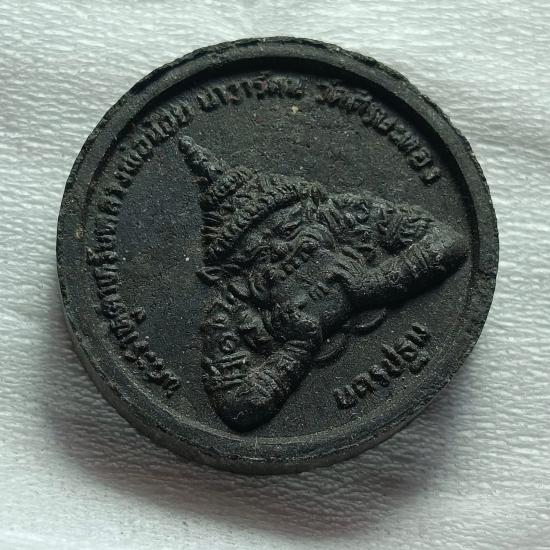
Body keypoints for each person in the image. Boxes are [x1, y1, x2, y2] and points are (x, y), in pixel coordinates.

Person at [179, 136, 467, 432]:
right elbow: (237, 410)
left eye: (287, 230)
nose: (279, 249)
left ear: (310, 210)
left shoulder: (346, 216)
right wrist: (297, 347)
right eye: (257, 253)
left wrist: (375, 283)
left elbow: (450, 242)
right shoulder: (231, 312)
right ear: (234, 271)